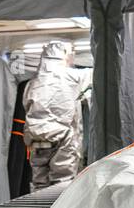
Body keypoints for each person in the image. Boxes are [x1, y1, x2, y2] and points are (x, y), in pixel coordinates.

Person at [23, 40, 92, 188]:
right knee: (63, 181)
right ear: (64, 55)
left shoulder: (33, 82)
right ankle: (60, 204)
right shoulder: (72, 76)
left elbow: (26, 104)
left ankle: (40, 202)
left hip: (36, 138)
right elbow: (98, 74)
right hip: (62, 137)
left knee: (39, 181)